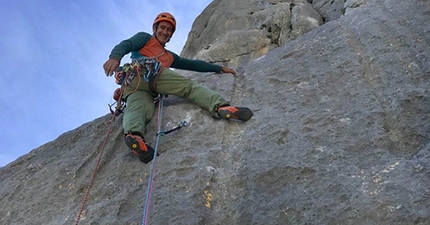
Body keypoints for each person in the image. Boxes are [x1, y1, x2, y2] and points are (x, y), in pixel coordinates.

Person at [103, 12, 253, 163]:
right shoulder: (145, 38)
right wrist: (115, 57)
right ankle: (220, 107)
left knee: (138, 107)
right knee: (189, 88)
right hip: (145, 73)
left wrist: (219, 68)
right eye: (162, 28)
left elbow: (193, 65)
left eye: (169, 30)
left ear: (171, 36)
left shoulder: (170, 56)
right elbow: (127, 44)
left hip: (134, 84)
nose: (165, 32)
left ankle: (134, 136)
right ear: (155, 28)